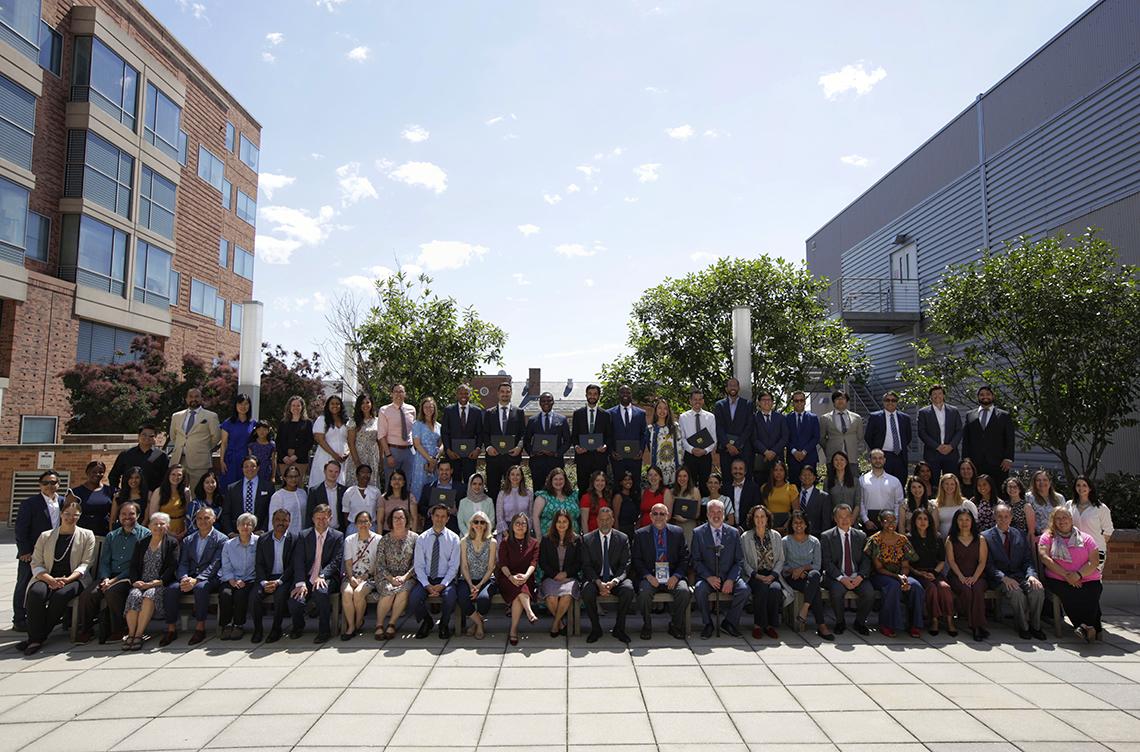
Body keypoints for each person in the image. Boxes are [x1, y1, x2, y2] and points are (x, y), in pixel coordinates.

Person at [17, 500, 95, 655]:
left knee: (61, 595)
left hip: (74, 579)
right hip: (47, 576)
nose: (70, 518)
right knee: (36, 593)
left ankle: (36, 638)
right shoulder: (46, 536)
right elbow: (36, 562)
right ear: (61, 514)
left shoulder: (87, 535)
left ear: (79, 517)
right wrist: (49, 580)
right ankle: (37, 637)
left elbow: (86, 563)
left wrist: (67, 580)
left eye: (75, 515)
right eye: (67, 514)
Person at [76, 502, 150, 644]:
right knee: (87, 595)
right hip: (109, 576)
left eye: (131, 514)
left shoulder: (145, 535)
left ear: (138, 515)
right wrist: (105, 578)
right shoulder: (112, 535)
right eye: (123, 514)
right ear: (119, 516)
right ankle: (86, 630)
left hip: (129, 577)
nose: (127, 517)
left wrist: (114, 580)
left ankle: (119, 629)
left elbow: (138, 565)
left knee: (113, 592)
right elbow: (105, 561)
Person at [161, 506, 226, 646]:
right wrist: (184, 578)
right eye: (199, 518)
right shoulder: (188, 539)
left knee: (200, 588)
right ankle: (171, 629)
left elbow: (215, 564)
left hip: (209, 578)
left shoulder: (221, 539)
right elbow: (183, 562)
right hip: (189, 576)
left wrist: (197, 579)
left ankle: (200, 628)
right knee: (171, 589)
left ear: (214, 519)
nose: (202, 521)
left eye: (206, 518)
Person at [1038, 507, 1103, 642]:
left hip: (1087, 577)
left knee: (1093, 590)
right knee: (1071, 592)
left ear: (1071, 519)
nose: (1062, 521)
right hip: (1058, 578)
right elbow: (1044, 557)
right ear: (1053, 521)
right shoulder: (1048, 537)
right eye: (1058, 518)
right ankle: (1092, 627)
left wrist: (1078, 575)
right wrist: (1067, 575)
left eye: (1065, 517)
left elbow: (1095, 561)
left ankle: (1084, 627)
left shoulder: (1086, 538)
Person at [983, 503, 1046, 639]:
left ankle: (1035, 626)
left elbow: (1027, 560)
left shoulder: (1020, 534)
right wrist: (1003, 578)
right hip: (999, 579)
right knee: (1016, 592)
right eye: (1000, 516)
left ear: (1011, 518)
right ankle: (1023, 627)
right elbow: (988, 565)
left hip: (1020, 576)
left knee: (1037, 590)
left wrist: (1031, 576)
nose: (1003, 519)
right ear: (995, 517)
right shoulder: (985, 537)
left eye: (1006, 516)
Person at [631, 502, 691, 640]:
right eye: (655, 514)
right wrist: (647, 576)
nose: (659, 517)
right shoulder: (640, 534)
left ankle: (675, 625)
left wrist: (676, 576)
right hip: (650, 577)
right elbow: (636, 559)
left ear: (668, 516)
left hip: (672, 575)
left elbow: (685, 558)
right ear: (650, 516)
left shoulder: (677, 532)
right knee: (644, 593)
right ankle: (647, 625)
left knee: (683, 592)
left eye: (662, 514)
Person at [122, 512, 180, 651]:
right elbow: (134, 566)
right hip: (141, 582)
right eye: (155, 523)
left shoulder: (172, 543)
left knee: (149, 596)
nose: (158, 526)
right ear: (149, 526)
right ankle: (131, 633)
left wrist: (156, 582)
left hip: (159, 583)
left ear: (167, 526)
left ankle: (139, 634)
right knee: (134, 595)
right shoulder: (142, 543)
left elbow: (172, 566)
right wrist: (135, 581)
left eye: (162, 524)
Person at [691, 499, 748, 638]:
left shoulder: (734, 533)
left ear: (724, 514)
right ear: (707, 514)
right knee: (699, 589)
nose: (716, 515)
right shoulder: (698, 533)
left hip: (729, 575)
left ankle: (729, 622)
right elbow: (695, 560)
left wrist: (730, 579)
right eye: (712, 512)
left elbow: (739, 560)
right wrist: (708, 577)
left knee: (744, 590)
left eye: (719, 512)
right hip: (708, 577)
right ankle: (708, 624)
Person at [289, 504, 344, 643]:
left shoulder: (337, 536)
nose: (321, 521)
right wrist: (300, 583)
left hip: (328, 577)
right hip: (307, 576)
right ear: (313, 519)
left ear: (330, 519)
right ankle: (298, 626)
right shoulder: (304, 535)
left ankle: (324, 631)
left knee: (320, 592)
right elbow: (299, 560)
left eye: (324, 518)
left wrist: (322, 575)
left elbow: (336, 561)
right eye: (318, 518)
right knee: (295, 600)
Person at [865, 509, 923, 638]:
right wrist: (897, 578)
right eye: (887, 521)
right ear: (880, 522)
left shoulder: (902, 540)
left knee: (916, 587)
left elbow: (906, 565)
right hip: (880, 576)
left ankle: (914, 625)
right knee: (893, 586)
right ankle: (887, 624)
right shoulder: (875, 540)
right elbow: (878, 568)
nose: (891, 524)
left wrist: (904, 578)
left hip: (900, 575)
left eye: (893, 521)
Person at [580, 505, 634, 643]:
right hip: (595, 579)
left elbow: (625, 565)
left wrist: (615, 581)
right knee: (587, 591)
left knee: (628, 589)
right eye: (602, 519)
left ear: (613, 520)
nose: (604, 522)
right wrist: (598, 583)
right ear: (597, 520)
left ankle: (619, 629)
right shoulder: (587, 539)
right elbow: (586, 566)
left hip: (615, 579)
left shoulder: (622, 538)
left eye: (607, 519)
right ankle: (596, 629)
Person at [409, 503, 461, 639]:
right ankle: (427, 621)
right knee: (414, 599)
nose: (439, 519)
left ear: (448, 519)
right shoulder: (422, 538)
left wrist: (443, 584)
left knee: (450, 597)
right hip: (426, 579)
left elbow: (454, 566)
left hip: (445, 579)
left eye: (443, 516)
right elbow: (419, 565)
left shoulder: (454, 539)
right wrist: (427, 585)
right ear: (431, 517)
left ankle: (444, 624)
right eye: (437, 516)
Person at [820, 504, 874, 634]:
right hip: (837, 576)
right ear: (835, 519)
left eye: (847, 517)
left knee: (869, 593)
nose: (844, 520)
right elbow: (827, 562)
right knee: (837, 591)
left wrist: (860, 576)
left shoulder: (861, 536)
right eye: (840, 517)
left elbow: (867, 560)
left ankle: (860, 622)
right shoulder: (826, 536)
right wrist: (842, 578)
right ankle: (840, 622)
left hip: (857, 575)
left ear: (852, 518)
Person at [782, 510, 833, 640]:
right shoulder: (785, 541)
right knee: (815, 589)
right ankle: (821, 625)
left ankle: (805, 608)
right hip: (792, 577)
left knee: (815, 575)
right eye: (795, 523)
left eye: (801, 523)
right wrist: (794, 571)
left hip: (810, 576)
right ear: (791, 525)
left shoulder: (814, 541)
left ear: (806, 525)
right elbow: (782, 565)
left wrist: (803, 569)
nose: (798, 525)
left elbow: (817, 565)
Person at [741, 505, 788, 639]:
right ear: (752, 519)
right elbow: (743, 561)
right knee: (761, 588)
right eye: (757, 517)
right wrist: (756, 575)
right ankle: (758, 625)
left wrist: (773, 575)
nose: (760, 519)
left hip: (772, 574)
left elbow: (780, 559)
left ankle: (770, 625)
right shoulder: (746, 536)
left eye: (762, 516)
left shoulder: (776, 536)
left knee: (775, 590)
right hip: (754, 575)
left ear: (767, 519)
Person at [908, 507, 956, 636]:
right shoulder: (909, 538)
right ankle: (934, 619)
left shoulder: (937, 537)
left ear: (930, 521)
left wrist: (934, 573)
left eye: (925, 519)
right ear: (914, 521)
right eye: (919, 519)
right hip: (917, 573)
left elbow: (942, 560)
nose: (922, 522)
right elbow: (906, 563)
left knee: (945, 588)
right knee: (932, 589)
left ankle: (949, 620)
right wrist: (919, 573)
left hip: (934, 571)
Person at [252, 508, 296, 643]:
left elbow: (292, 566)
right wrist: (264, 582)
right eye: (278, 520)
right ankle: (258, 629)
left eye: (284, 520)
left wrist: (279, 581)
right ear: (272, 521)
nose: (280, 523)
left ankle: (276, 629)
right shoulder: (263, 539)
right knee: (254, 596)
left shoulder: (294, 539)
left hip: (284, 579)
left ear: (289, 522)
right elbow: (258, 564)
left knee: (280, 595)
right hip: (266, 578)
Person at [945, 508, 990, 641]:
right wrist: (961, 577)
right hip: (957, 576)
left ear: (972, 521)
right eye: (961, 520)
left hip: (978, 575)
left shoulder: (980, 539)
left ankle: (977, 626)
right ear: (956, 522)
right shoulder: (950, 539)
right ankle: (976, 626)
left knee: (976, 589)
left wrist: (975, 577)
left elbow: (982, 561)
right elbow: (951, 561)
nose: (964, 523)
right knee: (966, 590)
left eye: (967, 519)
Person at [374, 507, 418, 640]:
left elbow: (418, 563)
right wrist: (391, 578)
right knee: (389, 590)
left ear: (407, 520)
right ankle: (379, 624)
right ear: (390, 521)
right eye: (395, 518)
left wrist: (404, 577)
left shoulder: (415, 538)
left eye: (401, 518)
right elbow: (379, 564)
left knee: (403, 590)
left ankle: (392, 623)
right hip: (386, 577)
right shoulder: (384, 539)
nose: (398, 521)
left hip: (408, 577)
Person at [168, 388, 221, 494]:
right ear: (186, 399)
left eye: (197, 396)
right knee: (176, 492)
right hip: (178, 460)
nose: (194, 399)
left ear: (201, 398)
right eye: (191, 397)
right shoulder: (176, 416)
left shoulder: (210, 416)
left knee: (197, 492)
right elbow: (173, 436)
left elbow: (216, 437)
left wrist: (203, 449)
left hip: (199, 462)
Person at [962, 385, 1015, 491]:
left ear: (993, 396)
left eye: (988, 394)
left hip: (998, 462)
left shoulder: (1004, 415)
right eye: (982, 395)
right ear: (978, 397)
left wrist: (1008, 458)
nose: (985, 397)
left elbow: (1010, 438)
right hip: (975, 462)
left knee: (999, 490)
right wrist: (966, 457)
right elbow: (966, 438)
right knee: (978, 490)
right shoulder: (970, 415)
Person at [610, 385, 647, 533]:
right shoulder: (610, 413)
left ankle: (636, 521)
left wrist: (641, 450)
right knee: (618, 489)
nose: (625, 394)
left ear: (631, 394)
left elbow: (644, 434)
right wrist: (612, 450)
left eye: (628, 392)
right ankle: (616, 522)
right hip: (617, 459)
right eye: (622, 391)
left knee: (635, 488)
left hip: (634, 459)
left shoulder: (641, 413)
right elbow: (609, 434)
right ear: (618, 394)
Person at [498, 512, 539, 645]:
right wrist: (511, 577)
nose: (520, 526)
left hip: (527, 577)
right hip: (507, 577)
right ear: (512, 526)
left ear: (527, 527)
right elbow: (502, 564)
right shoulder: (505, 542)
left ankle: (513, 630)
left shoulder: (534, 543)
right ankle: (529, 612)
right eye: (517, 523)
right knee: (519, 588)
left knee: (520, 591)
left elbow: (534, 563)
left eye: (523, 523)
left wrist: (526, 575)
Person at [539, 509, 581, 636]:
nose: (561, 524)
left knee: (567, 595)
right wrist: (554, 575)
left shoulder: (576, 539)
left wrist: (566, 574)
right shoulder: (546, 540)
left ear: (569, 523)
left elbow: (579, 562)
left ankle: (555, 624)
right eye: (558, 521)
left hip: (569, 578)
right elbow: (542, 562)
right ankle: (561, 624)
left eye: (564, 521)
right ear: (554, 523)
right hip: (551, 577)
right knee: (551, 597)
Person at [218, 512, 259, 640]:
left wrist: (243, 580)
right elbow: (226, 564)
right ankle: (226, 625)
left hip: (249, 578)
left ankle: (238, 625)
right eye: (242, 524)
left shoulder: (259, 542)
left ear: (253, 527)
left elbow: (260, 563)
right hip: (230, 578)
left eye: (249, 524)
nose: (245, 527)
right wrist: (232, 580)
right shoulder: (228, 544)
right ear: (237, 527)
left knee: (241, 595)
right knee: (226, 594)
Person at [482, 381, 526, 499]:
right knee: (493, 490)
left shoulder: (519, 412)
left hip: (512, 458)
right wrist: (488, 447)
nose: (505, 394)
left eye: (507, 392)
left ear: (511, 393)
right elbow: (485, 433)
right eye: (502, 392)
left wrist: (519, 447)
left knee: (513, 490)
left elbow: (523, 433)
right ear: (498, 393)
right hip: (493, 458)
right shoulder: (489, 413)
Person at [341, 510, 380, 640]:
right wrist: (351, 577)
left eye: (365, 521)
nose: (363, 524)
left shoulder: (378, 539)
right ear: (355, 524)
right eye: (360, 522)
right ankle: (351, 626)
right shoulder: (349, 540)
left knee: (358, 592)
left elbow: (378, 562)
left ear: (370, 523)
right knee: (347, 592)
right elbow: (348, 561)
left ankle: (358, 622)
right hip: (352, 575)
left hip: (370, 577)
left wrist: (365, 576)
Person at [458, 510, 497, 638]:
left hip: (485, 580)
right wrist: (470, 585)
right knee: (463, 598)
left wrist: (479, 586)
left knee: (483, 599)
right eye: (476, 522)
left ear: (486, 525)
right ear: (471, 524)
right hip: (468, 579)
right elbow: (463, 565)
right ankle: (480, 624)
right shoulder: (464, 541)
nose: (479, 525)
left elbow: (491, 567)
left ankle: (475, 624)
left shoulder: (492, 542)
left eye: (482, 522)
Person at [571, 384, 613, 495]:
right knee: (583, 488)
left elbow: (609, 436)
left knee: (600, 489)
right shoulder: (578, 414)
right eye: (590, 394)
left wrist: (605, 446)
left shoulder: (606, 415)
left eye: (595, 394)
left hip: (599, 458)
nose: (592, 396)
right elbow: (574, 435)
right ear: (586, 395)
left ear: (599, 396)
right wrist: (576, 447)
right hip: (583, 458)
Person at [864, 392, 912, 489]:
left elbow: (908, 437)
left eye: (893, 400)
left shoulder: (905, 418)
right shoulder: (875, 417)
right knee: (882, 485)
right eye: (887, 400)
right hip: (883, 457)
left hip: (900, 457)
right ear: (883, 402)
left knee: (899, 485)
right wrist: (877, 452)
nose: (890, 402)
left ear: (897, 402)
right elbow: (868, 436)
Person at [525, 392, 570, 493]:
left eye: (549, 400)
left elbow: (567, 441)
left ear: (553, 402)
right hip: (537, 463)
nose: (546, 403)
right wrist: (532, 452)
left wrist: (557, 453)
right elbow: (526, 441)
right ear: (540, 403)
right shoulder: (532, 420)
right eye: (543, 401)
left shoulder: (562, 419)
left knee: (556, 491)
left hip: (555, 462)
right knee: (538, 491)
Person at [917, 385, 963, 480]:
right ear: (930, 397)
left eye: (939, 393)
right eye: (934, 394)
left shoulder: (953, 411)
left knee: (951, 482)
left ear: (943, 395)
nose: (937, 396)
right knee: (933, 482)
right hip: (932, 454)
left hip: (951, 453)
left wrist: (951, 446)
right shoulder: (923, 412)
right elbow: (922, 432)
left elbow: (959, 430)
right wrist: (937, 447)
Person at [678, 388, 719, 497]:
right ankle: (690, 510)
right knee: (689, 484)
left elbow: (714, 438)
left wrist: (705, 450)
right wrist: (692, 449)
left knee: (705, 485)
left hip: (705, 456)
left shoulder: (710, 417)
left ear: (703, 401)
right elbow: (682, 438)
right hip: (690, 456)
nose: (697, 402)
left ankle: (704, 511)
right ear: (690, 401)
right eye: (695, 399)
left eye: (700, 399)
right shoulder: (683, 417)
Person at [1067, 475, 1114, 567]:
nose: (1081, 488)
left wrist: (1096, 544)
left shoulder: (1101, 508)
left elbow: (1108, 531)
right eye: (1078, 485)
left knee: (1094, 579)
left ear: (1090, 488)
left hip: (1096, 550)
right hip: (1075, 549)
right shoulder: (1069, 505)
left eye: (1084, 485)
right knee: (1077, 578)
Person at [441, 384, 483, 484]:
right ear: (457, 395)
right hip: (453, 455)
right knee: (454, 482)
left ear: (470, 395)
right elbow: (445, 432)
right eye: (461, 393)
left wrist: (477, 449)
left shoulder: (476, 411)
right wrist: (448, 450)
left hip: (470, 455)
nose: (463, 396)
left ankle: (467, 500)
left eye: (466, 393)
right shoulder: (449, 410)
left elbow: (480, 432)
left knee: (470, 481)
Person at [108, 423, 169, 493]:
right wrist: (116, 491)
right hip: (128, 496)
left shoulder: (161, 456)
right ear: (139, 436)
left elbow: (166, 478)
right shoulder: (126, 454)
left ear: (155, 437)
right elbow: (113, 475)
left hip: (151, 497)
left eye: (151, 436)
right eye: (144, 435)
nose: (147, 438)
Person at [714, 378, 754, 483]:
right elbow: (718, 426)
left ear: (738, 388)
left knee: (745, 479)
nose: (733, 387)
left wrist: (737, 445)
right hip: (725, 449)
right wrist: (728, 445)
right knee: (727, 478)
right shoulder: (719, 405)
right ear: (726, 388)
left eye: (735, 385)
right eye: (730, 385)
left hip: (743, 448)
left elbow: (749, 427)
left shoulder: (747, 404)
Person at [379, 384, 418, 487]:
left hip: (409, 452)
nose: (398, 394)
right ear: (391, 394)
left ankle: (406, 504)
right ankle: (390, 503)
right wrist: (388, 455)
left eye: (401, 391)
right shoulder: (384, 410)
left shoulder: (412, 409)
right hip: (392, 451)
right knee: (391, 484)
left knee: (407, 483)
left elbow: (414, 431)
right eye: (396, 391)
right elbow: (381, 435)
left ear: (405, 394)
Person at [221, 456, 272, 536]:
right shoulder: (232, 488)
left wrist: (263, 530)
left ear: (258, 468)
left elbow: (270, 511)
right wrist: (230, 533)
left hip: (260, 534)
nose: (249, 469)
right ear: (242, 469)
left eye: (252, 466)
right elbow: (226, 513)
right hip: (237, 534)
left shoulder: (268, 487)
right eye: (246, 466)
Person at [858, 449, 904, 533]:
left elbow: (899, 503)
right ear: (870, 460)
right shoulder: (862, 480)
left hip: (890, 521)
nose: (877, 460)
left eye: (880, 458)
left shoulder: (894, 481)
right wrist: (866, 520)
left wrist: (895, 521)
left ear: (884, 460)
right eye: (874, 458)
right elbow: (860, 502)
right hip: (870, 522)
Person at [310, 395, 350, 488]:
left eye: (337, 404)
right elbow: (320, 440)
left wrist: (347, 453)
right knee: (323, 480)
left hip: (343, 457)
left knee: (341, 482)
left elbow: (350, 440)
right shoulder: (322, 420)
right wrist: (334, 455)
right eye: (332, 404)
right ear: (328, 405)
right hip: (326, 455)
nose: (335, 406)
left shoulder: (346, 421)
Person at [820, 390, 865, 473]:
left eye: (843, 398)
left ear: (847, 401)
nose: (840, 400)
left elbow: (860, 437)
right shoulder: (825, 418)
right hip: (833, 456)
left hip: (852, 457)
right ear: (833, 402)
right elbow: (822, 438)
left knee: (853, 481)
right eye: (837, 398)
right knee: (833, 482)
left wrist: (858, 452)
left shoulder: (856, 418)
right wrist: (829, 450)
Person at [418, 458, 466, 535]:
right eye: (441, 470)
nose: (444, 472)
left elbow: (466, 511)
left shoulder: (461, 488)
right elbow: (420, 507)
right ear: (437, 471)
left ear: (451, 471)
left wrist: (456, 511)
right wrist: (429, 510)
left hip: (452, 526)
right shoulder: (428, 487)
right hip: (431, 526)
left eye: (447, 470)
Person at [66, 461, 114, 537]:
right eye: (94, 472)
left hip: (103, 532)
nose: (97, 474)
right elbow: (68, 515)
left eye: (101, 472)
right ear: (87, 472)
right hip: (81, 533)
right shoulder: (75, 493)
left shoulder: (110, 491)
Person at [218, 393, 255, 489]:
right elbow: (224, 444)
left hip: (246, 461)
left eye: (246, 404)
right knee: (229, 488)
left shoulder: (253, 423)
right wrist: (221, 461)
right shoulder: (228, 423)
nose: (243, 406)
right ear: (236, 405)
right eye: (240, 404)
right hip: (231, 460)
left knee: (245, 487)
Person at [409, 396, 443, 501]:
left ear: (434, 409)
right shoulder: (417, 424)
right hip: (422, 459)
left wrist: (436, 458)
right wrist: (429, 459)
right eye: (426, 407)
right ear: (422, 409)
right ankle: (417, 512)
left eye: (431, 407)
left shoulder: (439, 426)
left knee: (433, 487)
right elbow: (417, 444)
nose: (428, 409)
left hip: (435, 459)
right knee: (419, 486)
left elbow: (442, 444)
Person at [277, 395, 314, 487]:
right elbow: (278, 441)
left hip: (300, 458)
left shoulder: (308, 423)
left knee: (298, 483)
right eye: (293, 405)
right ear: (289, 407)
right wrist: (284, 456)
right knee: (286, 484)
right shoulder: (283, 423)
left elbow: (309, 442)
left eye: (298, 405)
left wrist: (296, 456)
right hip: (284, 458)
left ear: (302, 407)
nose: (295, 408)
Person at [345, 393, 381, 488]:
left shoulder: (377, 421)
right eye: (362, 403)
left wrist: (381, 459)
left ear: (371, 404)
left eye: (367, 402)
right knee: (356, 482)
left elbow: (380, 441)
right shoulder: (353, 421)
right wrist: (357, 462)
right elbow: (351, 442)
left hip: (372, 456)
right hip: (357, 454)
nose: (365, 405)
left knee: (371, 483)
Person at [752, 391, 788, 486]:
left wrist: (773, 451)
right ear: (758, 402)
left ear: (772, 402)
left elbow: (785, 437)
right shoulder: (753, 418)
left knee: (778, 486)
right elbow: (753, 438)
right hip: (760, 459)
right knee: (760, 486)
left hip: (777, 458)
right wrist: (765, 452)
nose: (766, 402)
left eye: (769, 400)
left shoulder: (781, 418)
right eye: (763, 400)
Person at [533, 467, 580, 537]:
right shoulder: (543, 496)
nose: (558, 482)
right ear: (551, 481)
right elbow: (535, 517)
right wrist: (539, 537)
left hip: (572, 538)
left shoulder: (572, 496)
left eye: (561, 479)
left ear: (565, 480)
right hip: (549, 538)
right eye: (555, 479)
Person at [644, 397, 680, 486]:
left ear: (668, 411)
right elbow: (649, 447)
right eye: (659, 408)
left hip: (673, 466)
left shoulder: (675, 427)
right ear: (655, 410)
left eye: (665, 408)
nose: (662, 411)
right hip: (658, 467)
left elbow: (680, 447)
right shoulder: (650, 429)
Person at [785, 391, 821, 482]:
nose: (799, 403)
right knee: (794, 488)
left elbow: (816, 437)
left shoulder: (813, 418)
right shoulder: (786, 418)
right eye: (796, 401)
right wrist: (794, 452)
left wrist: (804, 452)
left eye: (801, 400)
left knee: (810, 487)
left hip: (809, 457)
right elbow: (785, 437)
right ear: (792, 402)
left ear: (805, 402)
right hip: (793, 459)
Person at [147, 464, 190, 537]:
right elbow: (153, 516)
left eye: (179, 475)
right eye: (173, 474)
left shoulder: (186, 492)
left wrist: (185, 530)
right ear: (168, 475)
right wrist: (168, 533)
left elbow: (188, 513)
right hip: (163, 530)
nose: (176, 477)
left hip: (182, 531)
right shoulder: (159, 492)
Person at [307, 459, 348, 531]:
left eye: (336, 472)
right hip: (320, 530)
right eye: (330, 471)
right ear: (325, 471)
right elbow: (310, 514)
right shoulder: (315, 491)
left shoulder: (344, 491)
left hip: (340, 530)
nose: (333, 474)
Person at [1027, 469, 1064, 545]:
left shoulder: (1059, 498)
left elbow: (1064, 517)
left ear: (1050, 482)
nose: (1042, 482)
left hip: (1056, 537)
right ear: (1034, 483)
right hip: (1036, 537)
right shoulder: (1028, 497)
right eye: (1038, 480)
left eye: (1045, 480)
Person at [269, 465, 307, 536]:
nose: (293, 479)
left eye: (296, 476)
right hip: (286, 536)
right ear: (285, 478)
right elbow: (272, 519)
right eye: (290, 477)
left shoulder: (303, 493)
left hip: (302, 536)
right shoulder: (278, 496)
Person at [110, 467, 149, 535]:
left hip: (139, 532)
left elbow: (146, 519)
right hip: (119, 532)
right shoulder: (118, 496)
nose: (133, 480)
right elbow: (112, 518)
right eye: (131, 478)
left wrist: (138, 533)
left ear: (141, 479)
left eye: (137, 478)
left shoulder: (147, 495)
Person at [761, 460, 797, 532]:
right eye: (776, 470)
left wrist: (787, 525)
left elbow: (796, 511)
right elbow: (763, 509)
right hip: (769, 524)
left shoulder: (791, 488)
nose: (778, 473)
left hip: (786, 524)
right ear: (772, 472)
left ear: (785, 472)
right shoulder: (764, 488)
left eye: (781, 470)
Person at [495, 465, 531, 538]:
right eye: (512, 474)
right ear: (508, 477)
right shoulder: (502, 494)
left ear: (521, 477)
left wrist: (526, 530)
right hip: (506, 529)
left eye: (518, 475)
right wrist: (506, 532)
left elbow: (530, 515)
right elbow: (499, 516)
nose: (515, 477)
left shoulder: (528, 494)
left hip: (523, 528)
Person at [797, 465, 832, 540]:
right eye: (804, 475)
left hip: (816, 536)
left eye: (809, 475)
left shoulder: (823, 496)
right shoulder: (795, 494)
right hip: (797, 535)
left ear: (814, 477)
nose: (807, 477)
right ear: (800, 477)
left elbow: (826, 522)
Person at [342, 464, 380, 531]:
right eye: (362, 472)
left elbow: (378, 511)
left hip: (371, 527)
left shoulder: (376, 491)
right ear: (357, 475)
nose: (365, 475)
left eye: (368, 473)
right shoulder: (349, 492)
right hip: (354, 527)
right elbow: (345, 512)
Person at [825, 451, 862, 521]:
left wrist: (852, 519)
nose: (839, 462)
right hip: (834, 521)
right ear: (832, 463)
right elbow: (826, 504)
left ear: (846, 462)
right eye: (836, 460)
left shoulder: (855, 481)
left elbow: (857, 504)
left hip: (852, 521)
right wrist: (834, 519)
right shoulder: (827, 481)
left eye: (842, 459)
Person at [380, 469, 419, 533]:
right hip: (388, 533)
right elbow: (380, 521)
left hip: (405, 533)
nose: (397, 481)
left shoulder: (410, 497)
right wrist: (379, 537)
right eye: (394, 479)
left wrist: (413, 538)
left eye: (400, 479)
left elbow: (414, 518)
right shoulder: (383, 498)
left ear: (404, 482)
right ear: (390, 482)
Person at [728, 457, 762, 530]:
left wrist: (742, 528)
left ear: (745, 471)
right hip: (729, 529)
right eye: (735, 468)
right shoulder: (726, 488)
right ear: (731, 470)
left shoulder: (754, 488)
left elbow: (755, 510)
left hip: (748, 528)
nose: (738, 471)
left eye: (740, 469)